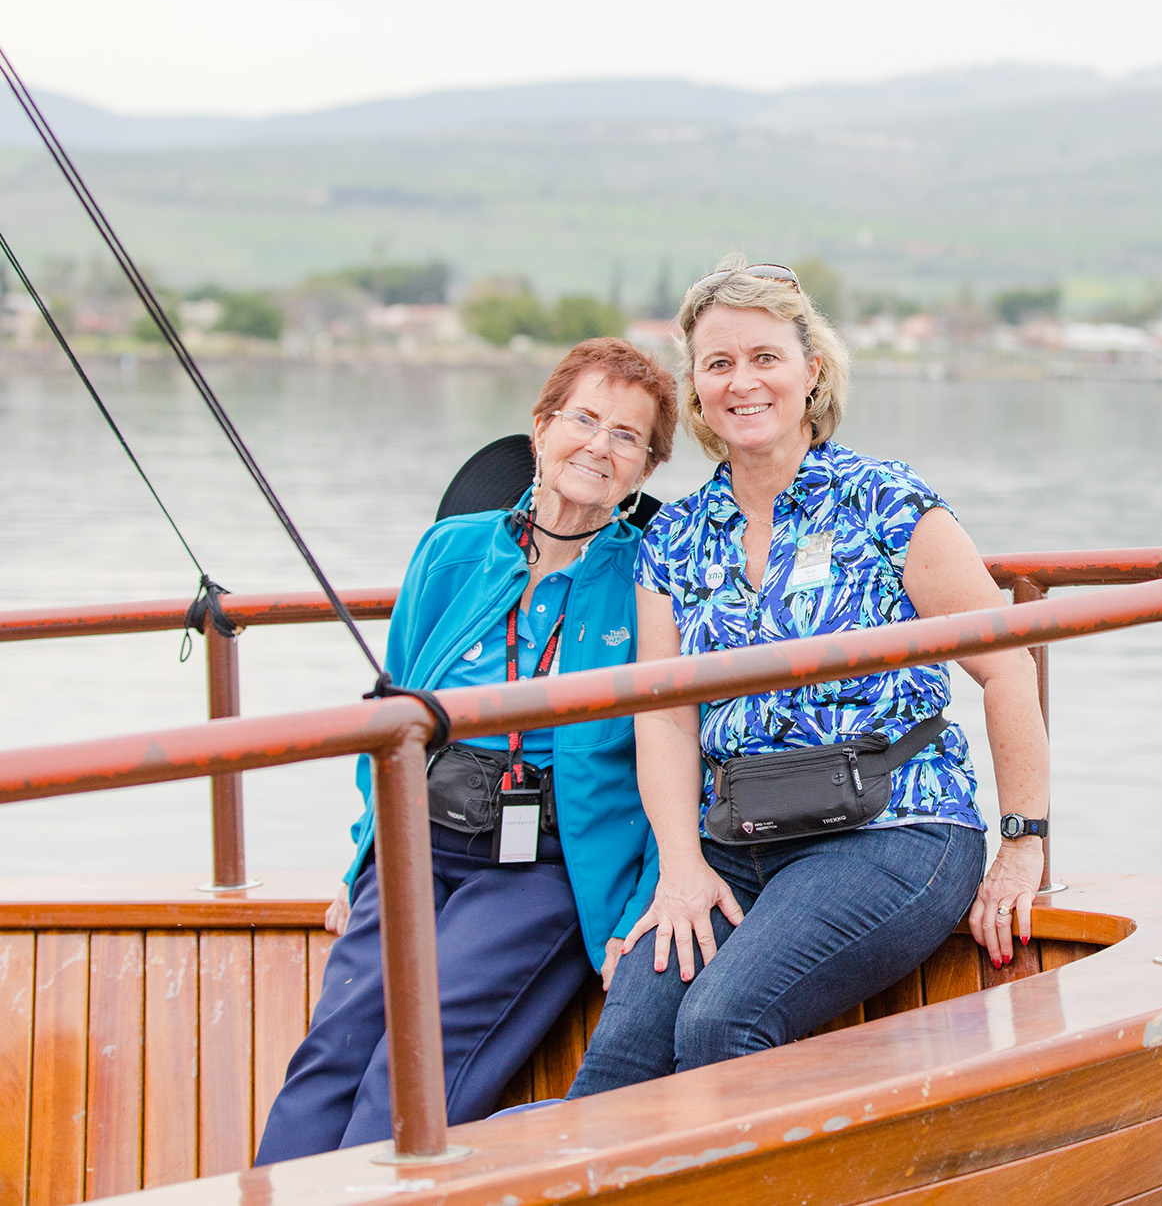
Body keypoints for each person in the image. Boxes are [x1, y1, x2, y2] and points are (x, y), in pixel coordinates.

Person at [565, 259, 1049, 1097]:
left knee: (722, 1023)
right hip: (738, 841)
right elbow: (666, 716)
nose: (742, 381)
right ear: (697, 388)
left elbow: (1005, 669)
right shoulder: (674, 539)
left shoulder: (886, 502)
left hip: (894, 829)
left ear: (810, 370)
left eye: (765, 357)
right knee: (618, 1062)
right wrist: (681, 865)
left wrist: (1022, 841)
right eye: (718, 364)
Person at [255, 337, 678, 1161]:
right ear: (542, 426)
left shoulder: (648, 576)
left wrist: (640, 906)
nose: (598, 444)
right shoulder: (453, 550)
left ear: (646, 468)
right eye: (583, 418)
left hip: (545, 865)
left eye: (627, 435)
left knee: (409, 1071)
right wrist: (361, 858)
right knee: (330, 1052)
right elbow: (391, 712)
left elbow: (681, 750)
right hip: (418, 841)